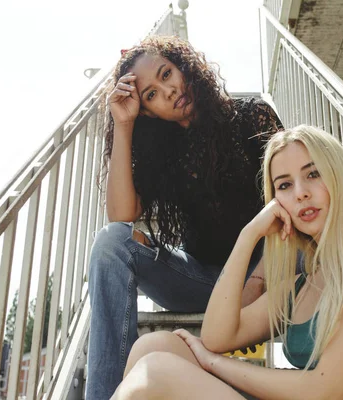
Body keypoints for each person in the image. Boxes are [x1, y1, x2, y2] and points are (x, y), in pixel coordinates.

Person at [113, 125, 343, 400]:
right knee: (154, 347)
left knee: (155, 372)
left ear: (340, 176)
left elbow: (324, 390)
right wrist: (248, 236)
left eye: (313, 174)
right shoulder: (299, 287)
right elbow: (217, 337)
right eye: (285, 185)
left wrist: (215, 363)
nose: (301, 193)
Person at [87, 35, 284, 399]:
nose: (168, 90)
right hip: (204, 282)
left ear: (184, 66)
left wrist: (254, 283)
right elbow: (121, 216)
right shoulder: (162, 152)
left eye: (166, 74)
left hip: (267, 273)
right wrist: (124, 125)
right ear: (147, 111)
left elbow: (287, 204)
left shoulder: (250, 117)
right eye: (150, 95)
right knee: (111, 243)